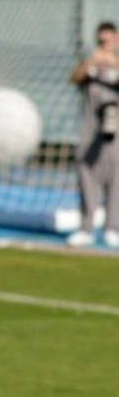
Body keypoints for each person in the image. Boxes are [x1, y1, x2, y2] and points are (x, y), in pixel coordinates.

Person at [69, 20, 119, 247]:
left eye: (107, 40)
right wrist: (92, 61)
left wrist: (113, 62)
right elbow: (74, 78)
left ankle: (112, 228)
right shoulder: (91, 66)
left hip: (115, 136)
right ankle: (86, 228)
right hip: (90, 132)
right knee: (87, 179)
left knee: (116, 182)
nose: (103, 44)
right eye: (100, 40)